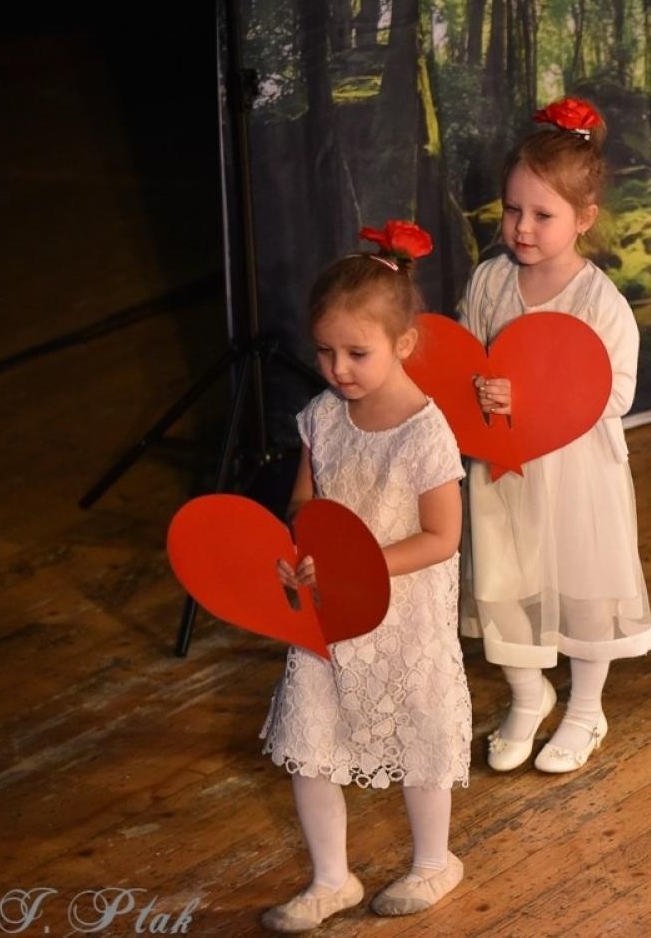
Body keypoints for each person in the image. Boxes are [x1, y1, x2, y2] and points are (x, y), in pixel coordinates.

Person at [259, 221, 469, 930]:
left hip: (403, 615)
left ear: (403, 343)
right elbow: (303, 500)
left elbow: (442, 537)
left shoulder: (425, 433)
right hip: (332, 613)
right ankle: (331, 877)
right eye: (324, 351)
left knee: (418, 734)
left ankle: (434, 862)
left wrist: (360, 562)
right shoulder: (322, 418)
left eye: (357, 353)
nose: (338, 369)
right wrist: (301, 547)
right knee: (311, 741)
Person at [461, 97, 651, 774]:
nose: (522, 227)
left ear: (584, 218)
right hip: (504, 469)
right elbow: (469, 360)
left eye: (543, 215)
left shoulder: (598, 301)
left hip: (575, 471)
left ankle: (585, 708)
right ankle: (528, 693)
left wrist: (536, 398)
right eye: (513, 209)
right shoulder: (490, 282)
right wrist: (478, 390)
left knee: (582, 586)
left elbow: (616, 392)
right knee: (503, 581)